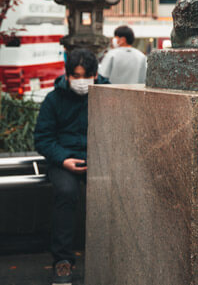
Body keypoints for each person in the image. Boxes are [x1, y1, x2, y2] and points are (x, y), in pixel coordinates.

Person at [34, 49, 110, 285]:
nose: (80, 81)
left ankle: (111, 256)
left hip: (99, 159)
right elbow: (43, 138)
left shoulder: (109, 95)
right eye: (75, 76)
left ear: (95, 75)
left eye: (85, 75)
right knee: (66, 193)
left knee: (113, 194)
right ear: (67, 75)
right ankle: (62, 261)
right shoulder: (54, 99)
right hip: (63, 160)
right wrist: (64, 159)